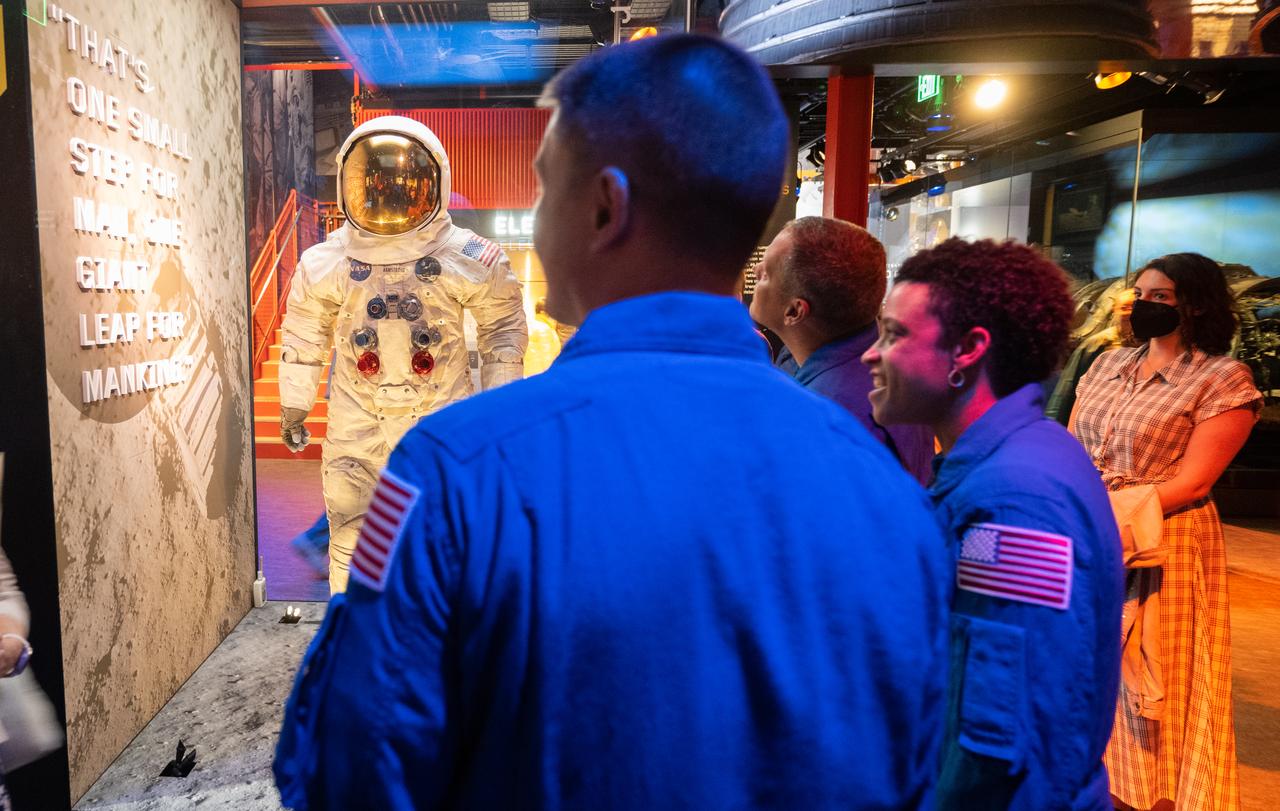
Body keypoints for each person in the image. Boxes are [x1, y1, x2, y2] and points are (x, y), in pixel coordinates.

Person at [275, 34, 949, 810]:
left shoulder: (450, 472)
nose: (536, 212)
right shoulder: (888, 491)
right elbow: (912, 763)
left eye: (545, 185)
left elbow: (348, 761)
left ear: (603, 205)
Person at [861, 238, 1125, 810]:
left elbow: (996, 739)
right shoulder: (1021, 458)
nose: (870, 355)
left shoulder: (1012, 502)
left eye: (894, 334)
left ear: (966, 350)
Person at [277, 115, 528, 594]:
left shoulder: (467, 256)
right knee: (351, 535)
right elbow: (305, 331)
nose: (390, 195)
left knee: (441, 537)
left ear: (432, 182)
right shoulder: (329, 261)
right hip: (359, 422)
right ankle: (356, 643)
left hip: (437, 420)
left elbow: (503, 330)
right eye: (377, 182)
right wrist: (294, 403)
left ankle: (436, 650)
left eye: (403, 183)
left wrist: (501, 408)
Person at [1070, 253, 1262, 811]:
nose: (1143, 306)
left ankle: (1156, 795)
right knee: (1094, 665)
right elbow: (1075, 439)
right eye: (1141, 294)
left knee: (1157, 673)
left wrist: (1108, 510)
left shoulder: (1222, 378)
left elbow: (1195, 481)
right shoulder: (1107, 364)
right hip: (1094, 531)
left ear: (1195, 305)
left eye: (1161, 297)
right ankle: (1097, 782)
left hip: (1165, 540)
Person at [750, 217, 935, 484]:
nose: (755, 270)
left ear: (794, 311)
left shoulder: (827, 419)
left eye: (766, 273)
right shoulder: (890, 374)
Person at [1045, 280, 1135, 425]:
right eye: (1124, 308)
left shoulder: (1152, 347)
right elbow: (1066, 390)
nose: (1128, 313)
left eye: (1133, 307)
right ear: (1115, 311)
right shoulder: (1098, 344)